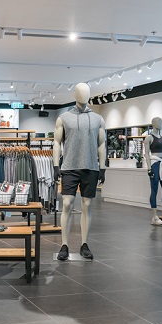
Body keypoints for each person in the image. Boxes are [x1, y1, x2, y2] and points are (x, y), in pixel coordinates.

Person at [53, 83, 106, 260]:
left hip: (90, 167)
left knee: (87, 205)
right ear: (75, 95)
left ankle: (84, 244)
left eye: (86, 92)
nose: (84, 95)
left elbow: (102, 144)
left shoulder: (98, 119)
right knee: (67, 204)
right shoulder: (63, 118)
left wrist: (102, 167)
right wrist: (55, 165)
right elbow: (56, 143)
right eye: (80, 92)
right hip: (69, 167)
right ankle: (64, 245)